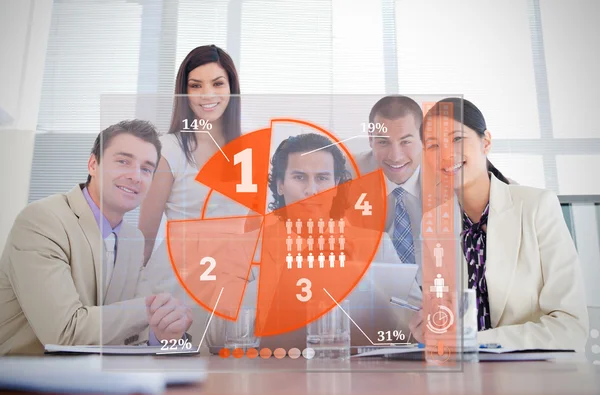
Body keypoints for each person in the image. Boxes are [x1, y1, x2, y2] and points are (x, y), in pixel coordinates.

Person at [409, 98, 589, 351]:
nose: (446, 154)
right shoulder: (434, 224)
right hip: (466, 378)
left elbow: (571, 326)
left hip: (536, 378)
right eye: (433, 145)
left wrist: (474, 342)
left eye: (457, 139)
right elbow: (447, 320)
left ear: (486, 142)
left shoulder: (537, 207)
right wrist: (431, 328)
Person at [0, 120, 192, 355]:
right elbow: (64, 332)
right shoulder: (42, 221)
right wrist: (149, 310)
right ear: (93, 164)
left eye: (147, 169)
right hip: (24, 381)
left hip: (97, 380)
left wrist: (161, 331)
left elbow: (131, 331)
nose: (136, 176)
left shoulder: (133, 239)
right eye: (123, 161)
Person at [138, 44, 244, 273]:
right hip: (178, 282)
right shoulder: (168, 150)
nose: (207, 94)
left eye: (217, 83)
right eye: (196, 86)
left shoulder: (252, 150)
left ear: (231, 89)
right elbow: (145, 238)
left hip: (236, 283)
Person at [353, 95, 425, 284]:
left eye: (405, 142)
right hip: (370, 299)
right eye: (383, 142)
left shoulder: (447, 171)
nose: (395, 156)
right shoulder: (344, 174)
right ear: (370, 139)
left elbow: (500, 190)